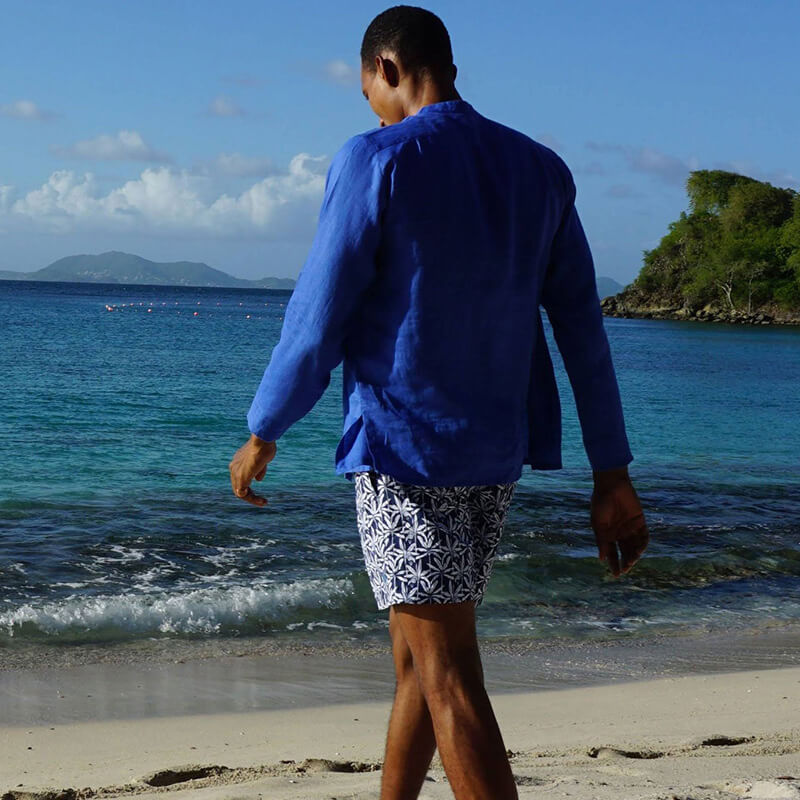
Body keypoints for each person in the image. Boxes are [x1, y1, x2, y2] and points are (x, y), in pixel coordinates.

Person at [229, 5, 649, 798]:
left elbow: (318, 316)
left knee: (447, 670)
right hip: (493, 457)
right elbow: (584, 336)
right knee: (419, 662)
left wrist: (265, 428)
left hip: (401, 452)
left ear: (386, 70)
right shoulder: (542, 172)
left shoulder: (375, 159)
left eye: (367, 92)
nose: (371, 109)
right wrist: (610, 472)